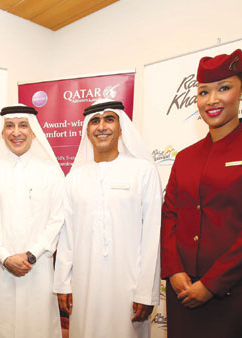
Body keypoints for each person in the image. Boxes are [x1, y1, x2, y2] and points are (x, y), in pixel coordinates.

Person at [160, 49, 242, 338]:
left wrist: (211, 285)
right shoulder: (185, 157)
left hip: (233, 291)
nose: (212, 100)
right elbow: (169, 214)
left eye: (224, 88)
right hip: (182, 289)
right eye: (204, 92)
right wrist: (173, 270)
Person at [53, 98, 163, 337]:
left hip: (129, 287)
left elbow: (152, 236)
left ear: (121, 127)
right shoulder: (74, 178)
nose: (101, 126)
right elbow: (67, 236)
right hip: (85, 285)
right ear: (87, 130)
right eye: (94, 121)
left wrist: (146, 292)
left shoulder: (143, 172)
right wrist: (63, 283)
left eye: (109, 119)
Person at [0, 104, 64, 338]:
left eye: (23, 125)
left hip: (38, 268)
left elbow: (58, 218)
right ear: (2, 131)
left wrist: (31, 254)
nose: (16, 132)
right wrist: (4, 257)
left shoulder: (51, 171)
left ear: (33, 130)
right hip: (0, 268)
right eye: (10, 126)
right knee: (0, 327)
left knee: (38, 327)